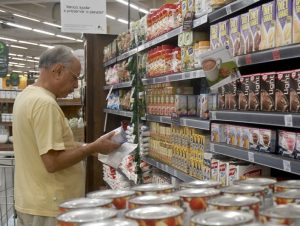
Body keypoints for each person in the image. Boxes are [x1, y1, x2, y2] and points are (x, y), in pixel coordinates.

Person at [12, 45, 120, 226]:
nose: (76, 85)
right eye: (75, 78)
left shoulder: (26, 96)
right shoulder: (44, 104)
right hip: (49, 207)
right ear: (58, 70)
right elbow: (52, 162)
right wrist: (92, 148)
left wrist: (91, 146)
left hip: (32, 202)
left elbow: (52, 146)